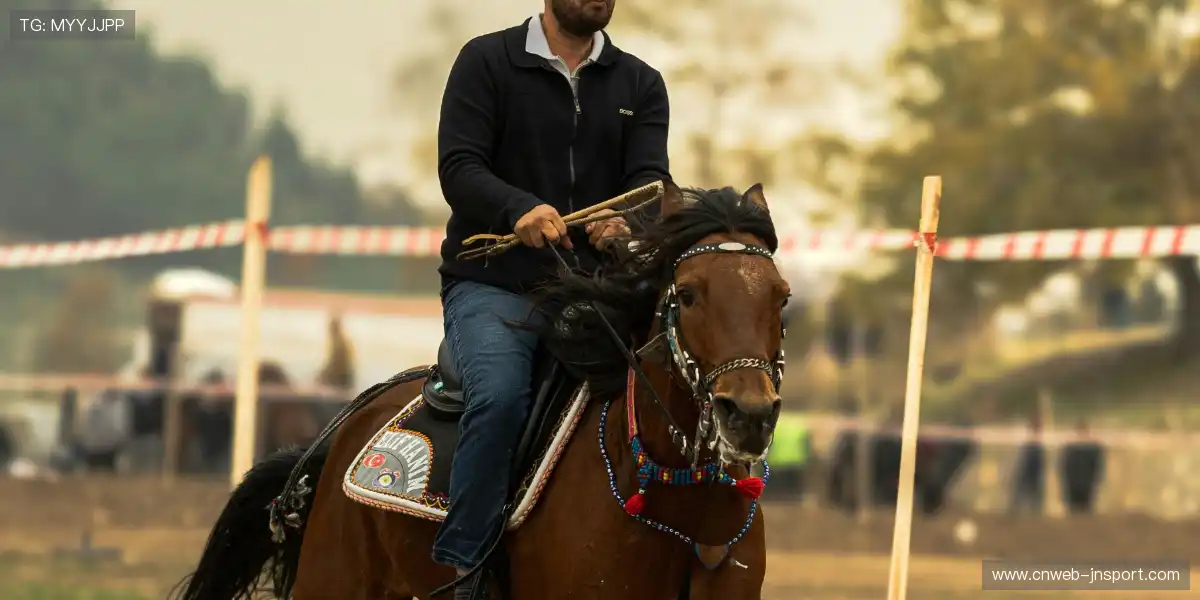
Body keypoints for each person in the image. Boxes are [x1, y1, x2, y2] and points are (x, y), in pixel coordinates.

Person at [434, 1, 670, 597]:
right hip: (495, 286)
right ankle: (468, 567)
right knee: (500, 397)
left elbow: (649, 185)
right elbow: (459, 167)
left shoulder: (641, 83)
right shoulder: (486, 61)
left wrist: (624, 222)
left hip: (595, 294)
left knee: (669, 392)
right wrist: (519, 210)